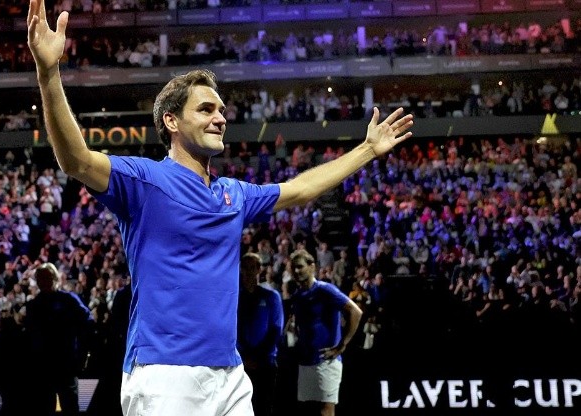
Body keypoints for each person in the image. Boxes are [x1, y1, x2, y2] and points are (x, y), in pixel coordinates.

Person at [26, 1, 413, 414]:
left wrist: (368, 150)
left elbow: (301, 188)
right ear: (172, 122)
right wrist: (49, 72)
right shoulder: (144, 181)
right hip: (164, 374)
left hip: (230, 376)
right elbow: (77, 160)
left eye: (222, 111)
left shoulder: (234, 194)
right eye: (206, 109)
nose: (220, 118)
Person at [288, 249, 363, 416]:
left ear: (312, 266)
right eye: (293, 267)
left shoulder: (325, 289)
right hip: (306, 360)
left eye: (300, 266)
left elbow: (355, 312)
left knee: (326, 411)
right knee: (308, 410)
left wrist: (342, 344)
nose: (296, 271)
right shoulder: (297, 296)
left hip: (326, 361)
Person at [23, 262, 93, 416]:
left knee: (70, 406)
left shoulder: (69, 300)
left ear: (55, 278)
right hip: (42, 365)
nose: (43, 282)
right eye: (40, 279)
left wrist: (82, 353)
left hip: (66, 363)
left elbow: (87, 323)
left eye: (47, 278)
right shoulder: (33, 306)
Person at [237, 253, 284, 416]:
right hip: (241, 364)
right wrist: (244, 357)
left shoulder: (271, 296)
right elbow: (233, 330)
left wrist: (258, 357)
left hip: (266, 363)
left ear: (259, 269)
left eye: (252, 267)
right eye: (245, 267)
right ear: (240, 269)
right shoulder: (235, 297)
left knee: (264, 407)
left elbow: (276, 329)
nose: (249, 272)